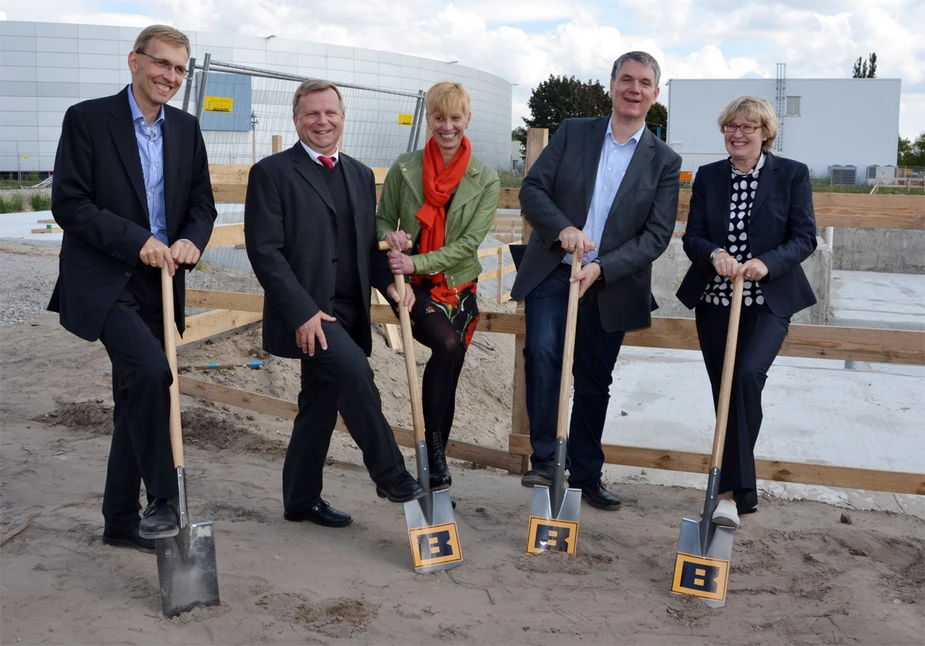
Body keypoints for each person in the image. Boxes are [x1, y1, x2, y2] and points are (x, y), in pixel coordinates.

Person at [48, 25, 217, 553]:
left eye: (179, 69)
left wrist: (190, 239)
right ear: (134, 62)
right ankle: (163, 499)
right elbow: (69, 205)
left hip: (160, 281)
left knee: (133, 396)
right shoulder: (87, 119)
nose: (170, 76)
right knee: (151, 373)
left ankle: (119, 521)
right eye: (160, 64)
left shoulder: (187, 129)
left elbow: (202, 205)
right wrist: (137, 239)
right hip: (103, 278)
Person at [245, 80, 425, 529]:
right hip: (309, 312)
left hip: (350, 310)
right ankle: (390, 475)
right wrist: (302, 311)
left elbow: (367, 248)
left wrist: (391, 286)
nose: (322, 121)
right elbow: (265, 251)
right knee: (353, 371)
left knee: (320, 404)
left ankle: (301, 499)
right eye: (312, 114)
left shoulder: (361, 175)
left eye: (330, 113)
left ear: (343, 118)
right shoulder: (272, 173)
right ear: (296, 119)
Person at [510, 51, 682, 510]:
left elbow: (657, 235)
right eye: (626, 79)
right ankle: (546, 460)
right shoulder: (574, 132)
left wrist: (603, 266)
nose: (634, 89)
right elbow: (533, 190)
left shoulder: (664, 160)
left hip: (611, 283)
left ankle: (586, 473)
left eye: (644, 83)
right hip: (555, 270)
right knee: (543, 353)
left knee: (593, 380)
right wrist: (563, 228)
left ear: (655, 95)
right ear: (611, 85)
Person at [677, 96, 817, 527]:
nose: (737, 135)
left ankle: (729, 490)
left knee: (746, 377)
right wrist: (715, 253)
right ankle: (740, 492)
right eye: (731, 127)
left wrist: (767, 262)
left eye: (748, 128)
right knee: (726, 393)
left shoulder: (792, 175)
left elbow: (804, 237)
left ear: (765, 133)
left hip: (768, 303)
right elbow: (692, 236)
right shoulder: (708, 177)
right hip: (716, 303)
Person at [377, 81, 500, 491]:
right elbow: (382, 220)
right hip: (411, 285)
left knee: (453, 363)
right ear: (428, 119)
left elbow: (469, 244)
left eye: (455, 118)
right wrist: (392, 238)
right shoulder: (405, 167)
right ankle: (433, 451)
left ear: (468, 119)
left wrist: (418, 258)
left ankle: (436, 458)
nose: (447, 127)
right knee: (445, 346)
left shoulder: (485, 179)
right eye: (439, 118)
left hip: (458, 284)